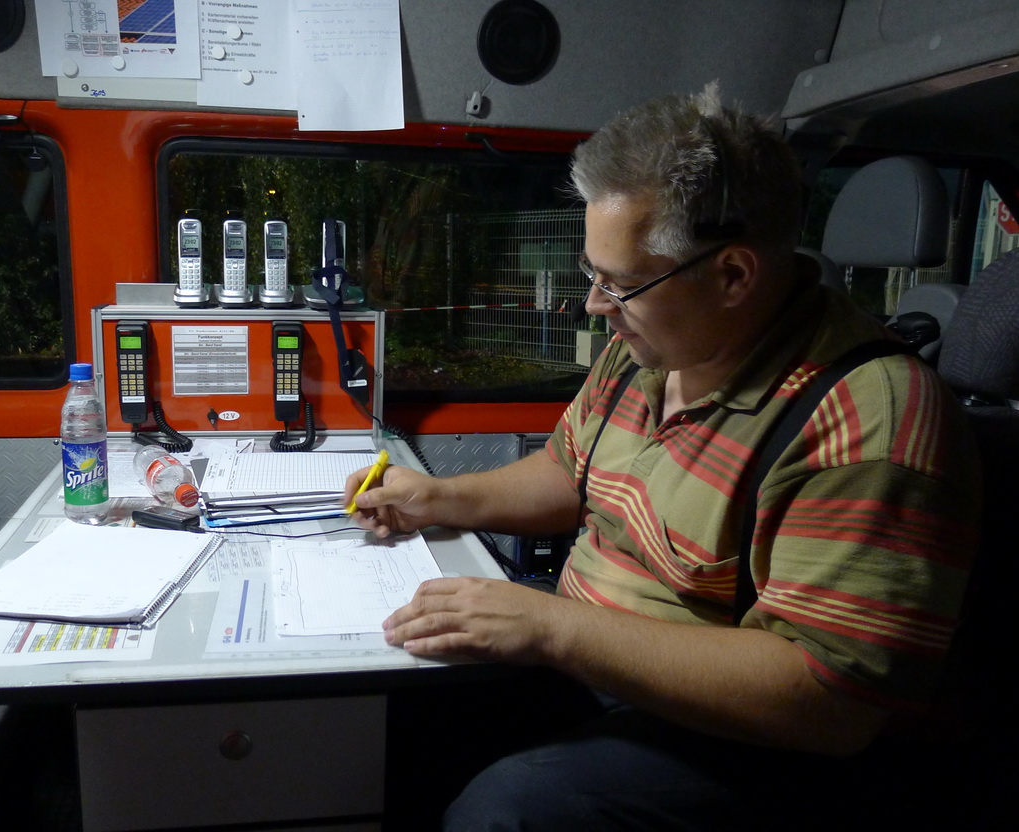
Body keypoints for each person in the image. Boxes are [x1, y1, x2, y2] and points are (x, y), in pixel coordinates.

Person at [346, 84, 981, 831]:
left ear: (733, 274)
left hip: (735, 735)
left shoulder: (868, 415)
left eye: (621, 284)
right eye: (593, 274)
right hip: (591, 665)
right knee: (394, 726)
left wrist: (551, 628)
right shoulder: (646, 348)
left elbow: (827, 701)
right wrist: (440, 497)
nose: (594, 305)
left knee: (508, 811)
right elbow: (567, 472)